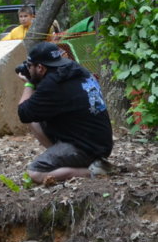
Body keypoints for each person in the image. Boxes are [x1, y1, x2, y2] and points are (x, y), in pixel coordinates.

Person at [17, 42, 113, 185]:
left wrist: (29, 83)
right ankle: (65, 158)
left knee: (35, 173)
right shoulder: (75, 70)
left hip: (85, 147)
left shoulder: (53, 84)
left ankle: (94, 171)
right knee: (36, 116)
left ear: (40, 67)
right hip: (101, 141)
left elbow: (23, 113)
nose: (27, 69)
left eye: (29, 66)